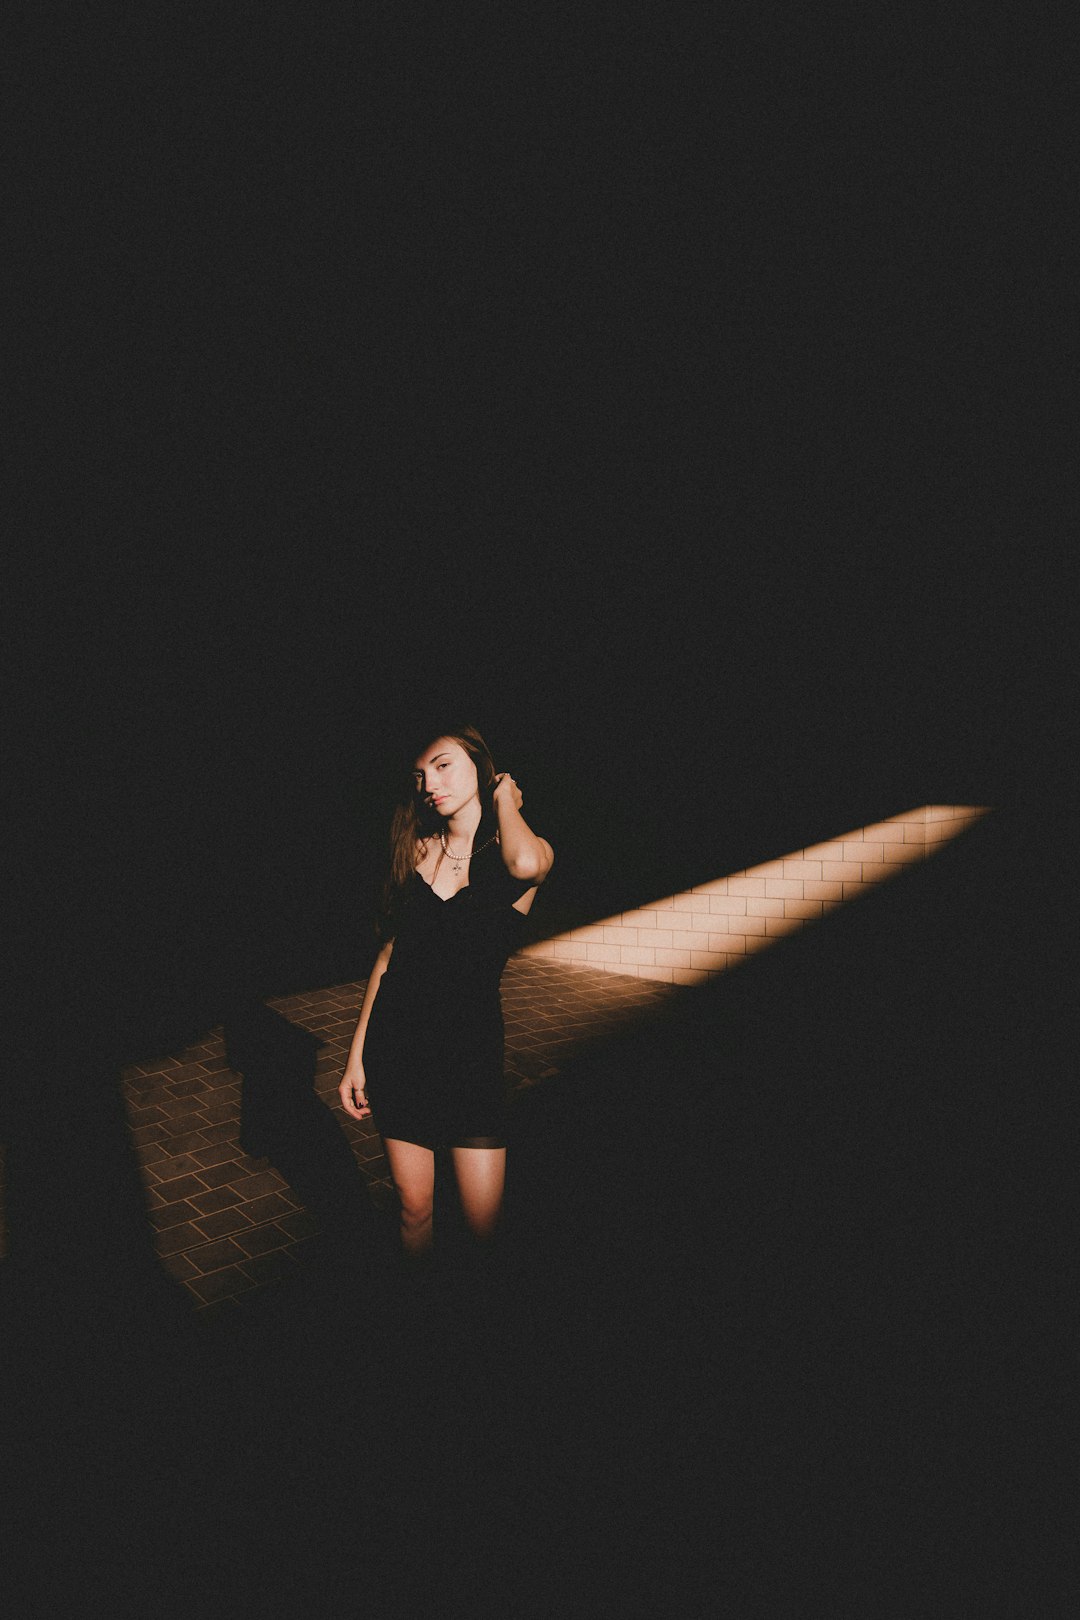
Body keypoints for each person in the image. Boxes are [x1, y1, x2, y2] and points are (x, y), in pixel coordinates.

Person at [338, 725, 554, 1263]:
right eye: (420, 775)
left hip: (470, 1058)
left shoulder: (515, 856)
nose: (429, 784)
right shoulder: (414, 848)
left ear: (480, 767)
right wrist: (356, 1056)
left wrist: (504, 794)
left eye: (442, 765)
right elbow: (390, 957)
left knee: (483, 1230)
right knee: (414, 1211)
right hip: (399, 1050)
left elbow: (527, 866)